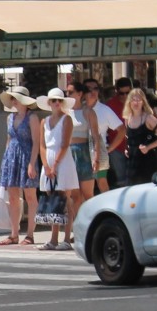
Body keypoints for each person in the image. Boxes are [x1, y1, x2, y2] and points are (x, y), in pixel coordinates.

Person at [35, 87, 80, 251]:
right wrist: (46, 166)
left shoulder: (66, 119)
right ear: (49, 102)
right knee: (52, 197)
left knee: (64, 197)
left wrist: (54, 165)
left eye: (58, 100)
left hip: (63, 160)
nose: (55, 103)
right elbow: (42, 145)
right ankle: (53, 239)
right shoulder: (44, 122)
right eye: (53, 100)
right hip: (49, 160)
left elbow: (65, 143)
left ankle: (67, 238)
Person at [0, 86, 40, 246]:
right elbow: (9, 139)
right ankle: (14, 234)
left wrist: (32, 164)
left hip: (27, 157)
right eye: (12, 98)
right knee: (13, 197)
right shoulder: (9, 118)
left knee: (30, 196)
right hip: (12, 157)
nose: (13, 101)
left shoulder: (32, 118)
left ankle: (30, 234)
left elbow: (36, 142)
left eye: (15, 98)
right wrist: (5, 162)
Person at [65, 83, 103, 237]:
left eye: (71, 92)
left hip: (84, 153)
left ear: (80, 94)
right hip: (69, 153)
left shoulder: (88, 112)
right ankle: (78, 228)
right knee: (75, 195)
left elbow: (95, 137)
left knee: (88, 193)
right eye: (66, 92)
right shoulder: (66, 112)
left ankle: (94, 227)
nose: (68, 95)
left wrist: (96, 157)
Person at [122, 87, 157, 186]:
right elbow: (128, 136)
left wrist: (148, 147)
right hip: (132, 161)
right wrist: (126, 148)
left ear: (143, 102)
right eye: (134, 100)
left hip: (148, 161)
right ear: (129, 102)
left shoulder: (149, 118)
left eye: (139, 100)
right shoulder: (127, 118)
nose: (136, 103)